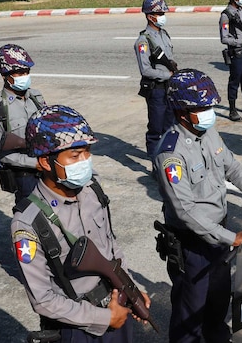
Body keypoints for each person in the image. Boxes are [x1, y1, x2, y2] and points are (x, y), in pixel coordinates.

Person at [153, 69, 242, 343]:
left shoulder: (208, 131)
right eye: (201, 107)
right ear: (181, 112)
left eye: (209, 105)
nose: (208, 112)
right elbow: (185, 210)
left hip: (219, 236)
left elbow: (232, 167)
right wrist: (232, 238)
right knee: (191, 310)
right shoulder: (170, 153)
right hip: (192, 245)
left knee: (218, 301)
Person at [12, 105, 149, 342]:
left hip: (118, 303)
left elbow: (111, 246)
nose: (84, 161)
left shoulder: (92, 190)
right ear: (45, 162)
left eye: (86, 152)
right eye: (75, 156)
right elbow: (43, 299)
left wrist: (131, 288)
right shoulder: (28, 223)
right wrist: (104, 319)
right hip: (80, 327)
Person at [0, 44, 47, 205]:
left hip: (48, 168)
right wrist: (36, 164)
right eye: (20, 73)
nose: (25, 76)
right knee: (32, 221)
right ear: (5, 75)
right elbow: (1, 154)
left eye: (27, 72)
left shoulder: (36, 97)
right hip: (25, 177)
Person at [135, 0, 177, 158]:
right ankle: (155, 163)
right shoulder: (143, 41)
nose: (162, 17)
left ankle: (168, 159)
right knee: (156, 129)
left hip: (169, 89)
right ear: (150, 16)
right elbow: (146, 70)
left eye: (162, 13)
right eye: (159, 14)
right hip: (156, 90)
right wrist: (168, 74)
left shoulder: (164, 34)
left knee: (170, 126)